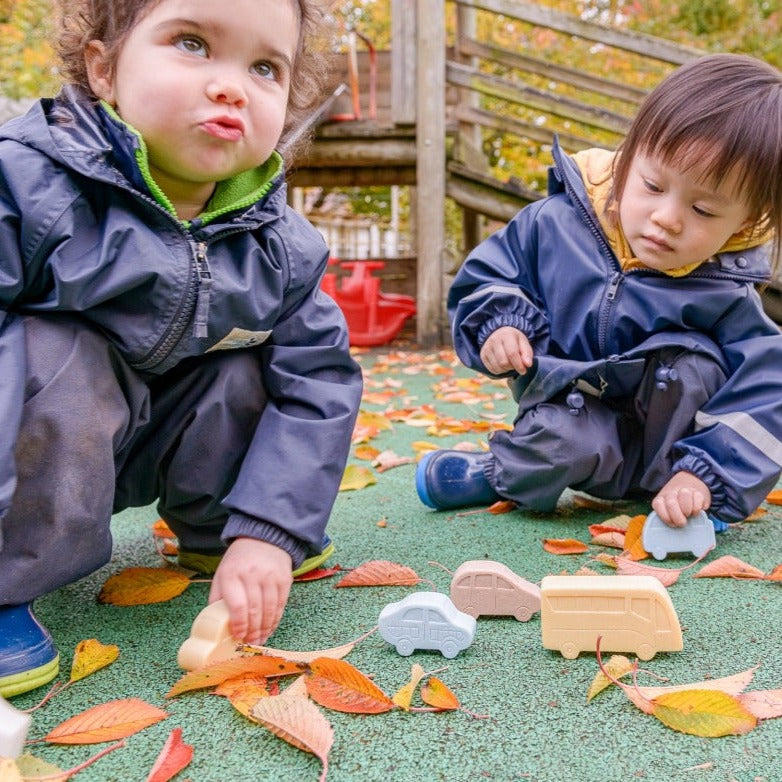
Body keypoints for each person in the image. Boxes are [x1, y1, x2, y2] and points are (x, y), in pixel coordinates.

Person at [0, 0, 362, 698]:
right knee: (57, 346)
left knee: (241, 362)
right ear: (105, 70)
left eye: (264, 67)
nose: (232, 85)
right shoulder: (27, 186)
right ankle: (7, 578)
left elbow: (317, 384)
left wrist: (271, 530)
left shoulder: (280, 247)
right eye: (192, 43)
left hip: (157, 430)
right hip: (49, 448)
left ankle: (220, 526)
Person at [417, 54, 782, 534]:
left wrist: (707, 472)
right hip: (576, 414)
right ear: (627, 158)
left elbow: (768, 387)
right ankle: (499, 473)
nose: (667, 218)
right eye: (653, 185)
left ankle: (689, 495)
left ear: (745, 223)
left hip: (678, 452)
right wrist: (500, 321)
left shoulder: (726, 291)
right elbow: (491, 274)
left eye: (703, 210)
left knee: (699, 364)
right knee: (557, 441)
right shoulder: (554, 224)